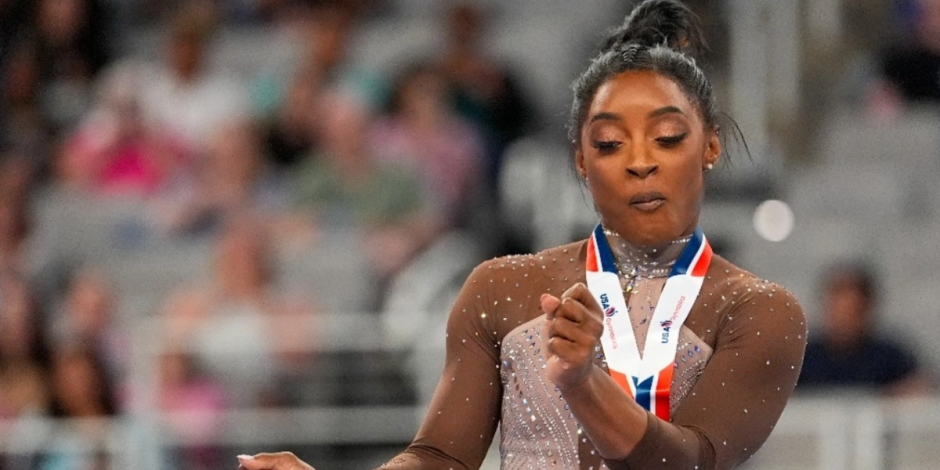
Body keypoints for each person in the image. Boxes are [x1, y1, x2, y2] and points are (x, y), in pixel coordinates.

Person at [236, 1, 807, 469]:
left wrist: (585, 384)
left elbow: (689, 461)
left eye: (666, 138)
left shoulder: (756, 311)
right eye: (609, 144)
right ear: (580, 161)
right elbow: (441, 458)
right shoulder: (504, 287)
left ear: (710, 146)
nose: (639, 163)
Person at [798, 262, 931, 396]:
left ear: (867, 309)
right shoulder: (803, 357)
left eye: (852, 311)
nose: (844, 319)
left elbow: (918, 389)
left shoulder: (892, 357)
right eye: (838, 310)